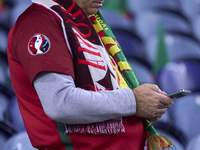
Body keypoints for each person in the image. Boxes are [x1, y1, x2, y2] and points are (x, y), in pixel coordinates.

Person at [7, 0, 174, 149]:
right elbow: (60, 103)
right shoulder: (40, 23)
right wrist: (133, 102)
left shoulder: (84, 20)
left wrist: (144, 106)